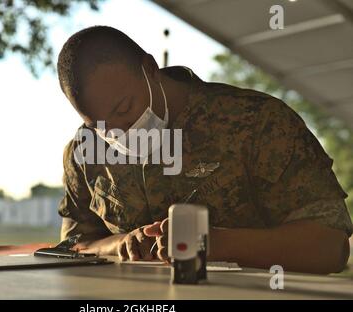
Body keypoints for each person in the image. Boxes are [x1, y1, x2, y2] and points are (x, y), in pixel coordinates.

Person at [56, 25, 352, 274]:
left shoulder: (257, 122)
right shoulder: (86, 150)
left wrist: (214, 244)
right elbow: (74, 245)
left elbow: (329, 246)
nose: (119, 132)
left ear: (149, 70)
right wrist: (120, 244)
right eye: (101, 125)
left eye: (125, 108)